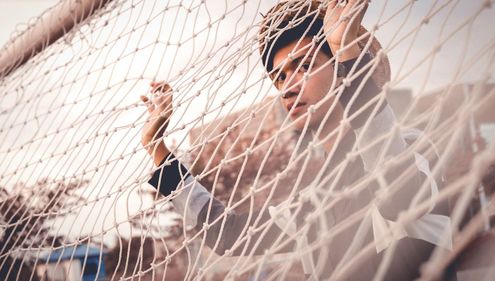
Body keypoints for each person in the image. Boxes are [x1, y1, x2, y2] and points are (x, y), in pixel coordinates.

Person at [140, 1, 453, 279]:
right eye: (280, 77)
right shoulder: (317, 200)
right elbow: (227, 234)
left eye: (304, 66)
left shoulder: (411, 145)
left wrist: (345, 49)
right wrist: (158, 149)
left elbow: (398, 194)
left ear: (344, 71)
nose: (287, 88)